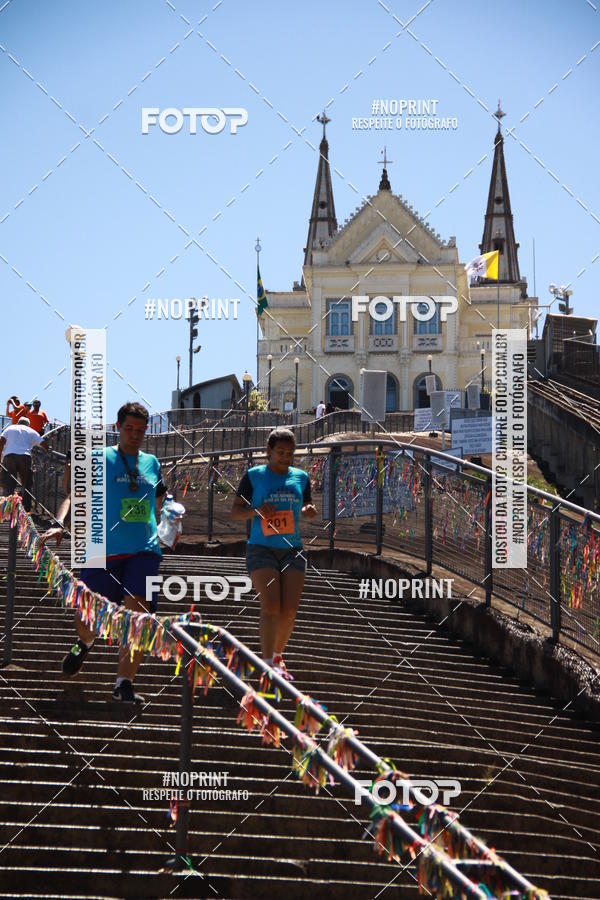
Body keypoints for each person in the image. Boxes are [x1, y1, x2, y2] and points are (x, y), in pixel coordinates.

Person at [61, 402, 168, 703]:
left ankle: (124, 683)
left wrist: (171, 520)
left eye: (140, 430)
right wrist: (61, 523)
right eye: (128, 429)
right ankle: (84, 644)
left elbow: (159, 499)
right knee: (88, 620)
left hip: (145, 550)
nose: (134, 435)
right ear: (117, 428)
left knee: (139, 615)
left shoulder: (151, 463)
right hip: (101, 550)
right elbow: (73, 493)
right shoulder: (99, 458)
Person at [231, 427, 317, 679]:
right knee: (271, 604)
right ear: (268, 451)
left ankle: (277, 656)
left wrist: (308, 510)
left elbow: (306, 506)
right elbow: (235, 512)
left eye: (290, 453)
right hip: (261, 548)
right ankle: (267, 662)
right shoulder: (254, 476)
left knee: (290, 610)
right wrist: (256, 511)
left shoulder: (301, 477)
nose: (285, 458)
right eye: (280, 452)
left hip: (293, 549)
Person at [0, 417, 49, 511]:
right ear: (28, 425)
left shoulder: (10, 428)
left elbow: (1, 441)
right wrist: (47, 450)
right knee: (26, 484)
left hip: (9, 456)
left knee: (8, 483)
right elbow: (44, 444)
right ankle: (26, 509)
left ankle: (6, 509)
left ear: (18, 423)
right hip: (25, 457)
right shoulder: (31, 431)